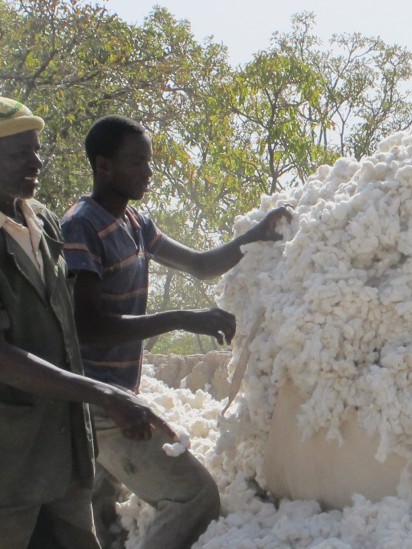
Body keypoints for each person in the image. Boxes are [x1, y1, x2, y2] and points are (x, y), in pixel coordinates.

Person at [61, 115, 292, 548]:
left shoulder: (134, 223)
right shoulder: (82, 226)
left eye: (149, 162)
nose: (148, 172)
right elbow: (87, 326)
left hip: (117, 394)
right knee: (194, 497)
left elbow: (201, 266)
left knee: (103, 515)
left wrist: (257, 235)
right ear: (103, 166)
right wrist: (182, 318)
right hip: (96, 399)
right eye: (137, 162)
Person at [0, 97, 170, 549]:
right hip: (6, 462)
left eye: (37, 149)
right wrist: (101, 392)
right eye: (20, 153)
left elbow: (65, 328)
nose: (36, 162)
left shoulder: (44, 222)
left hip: (65, 450)